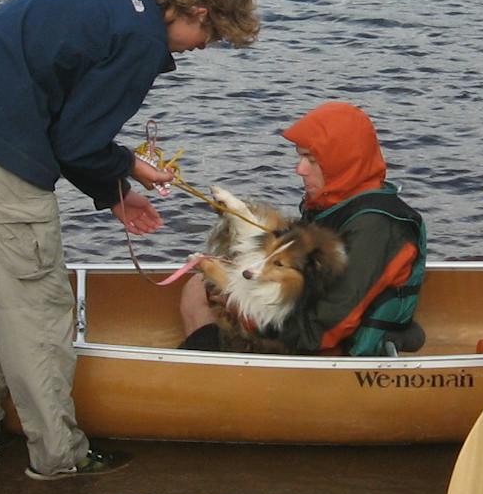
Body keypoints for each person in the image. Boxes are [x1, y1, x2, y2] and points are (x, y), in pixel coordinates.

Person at [0, 0, 259, 479]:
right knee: (38, 309)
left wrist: (115, 191)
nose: (201, 48)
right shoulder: (140, 42)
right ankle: (59, 455)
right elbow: (78, 142)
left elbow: (65, 130)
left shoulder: (111, 2)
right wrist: (129, 168)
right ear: (196, 10)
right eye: (211, 34)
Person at [175, 101, 427, 355]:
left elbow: (322, 331)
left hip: (329, 349)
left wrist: (241, 307)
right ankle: (206, 360)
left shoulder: (378, 228)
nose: (300, 169)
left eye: (311, 160)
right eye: (300, 156)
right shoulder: (334, 204)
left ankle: (204, 375)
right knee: (199, 285)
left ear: (342, 162)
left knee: (207, 291)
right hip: (297, 319)